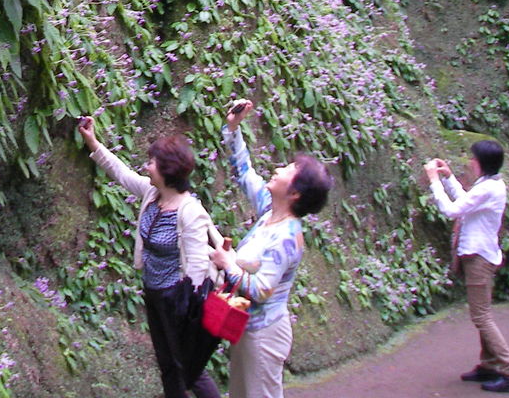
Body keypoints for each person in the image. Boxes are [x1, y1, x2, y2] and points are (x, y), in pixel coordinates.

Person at [78, 114, 222, 398]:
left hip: (177, 298)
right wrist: (92, 142)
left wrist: (188, 311)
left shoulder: (188, 211)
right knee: (168, 364)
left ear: (168, 170)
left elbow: (195, 267)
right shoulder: (151, 194)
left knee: (187, 366)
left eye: (153, 163)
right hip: (154, 291)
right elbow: (120, 173)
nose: (147, 167)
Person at [209, 98, 332, 398]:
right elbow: (244, 172)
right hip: (246, 330)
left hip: (263, 336)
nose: (277, 168)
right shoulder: (270, 212)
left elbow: (262, 289)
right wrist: (233, 128)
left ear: (295, 193)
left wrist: (228, 263)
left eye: (288, 169)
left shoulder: (287, 237)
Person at [424, 140, 509, 393]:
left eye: (473, 158)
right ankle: (489, 365)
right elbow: (467, 201)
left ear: (482, 163)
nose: (470, 161)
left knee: (481, 316)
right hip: (480, 255)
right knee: (483, 314)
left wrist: (434, 180)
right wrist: (448, 178)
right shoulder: (489, 185)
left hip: (479, 258)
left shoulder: (489, 188)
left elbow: (452, 210)